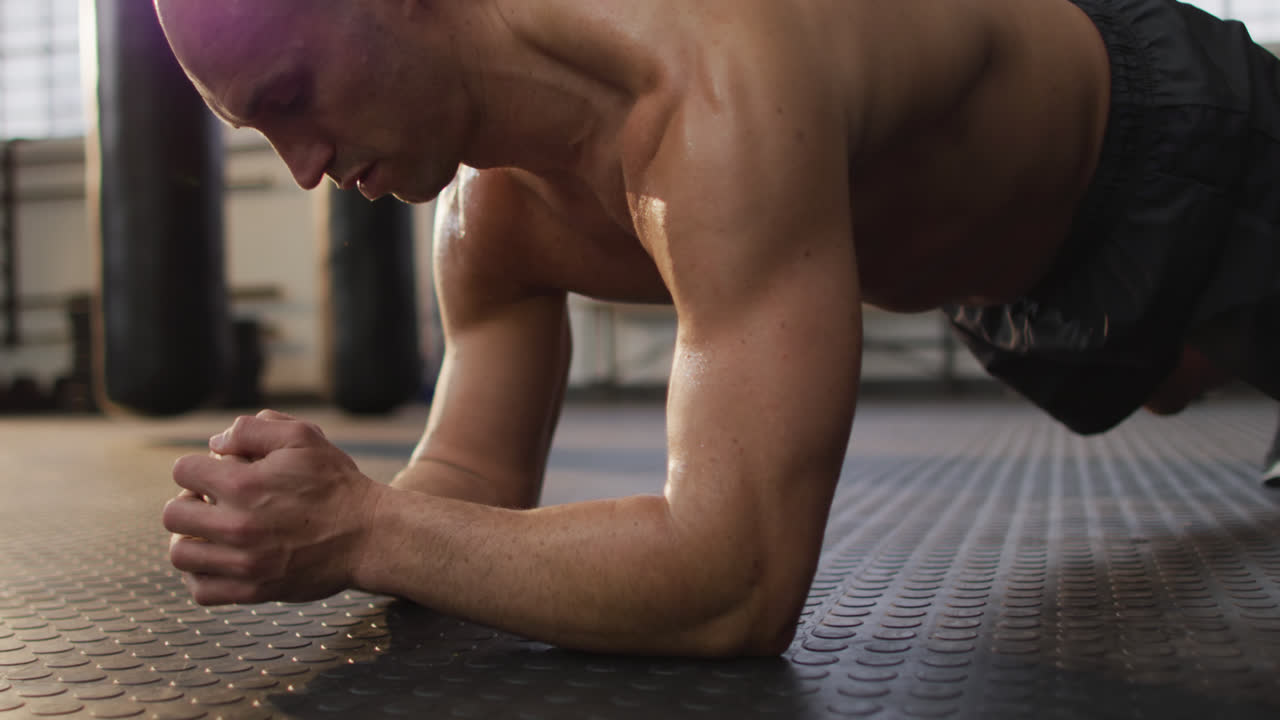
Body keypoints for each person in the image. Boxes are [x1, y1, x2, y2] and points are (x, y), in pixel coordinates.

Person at [153, 0, 1280, 656]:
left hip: (1165, 147)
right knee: (1175, 377)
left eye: (294, 95)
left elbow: (736, 579)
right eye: (258, 129)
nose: (299, 169)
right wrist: (324, 512)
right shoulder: (483, 221)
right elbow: (468, 476)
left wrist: (361, 532)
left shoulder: (706, 90)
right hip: (998, 282)